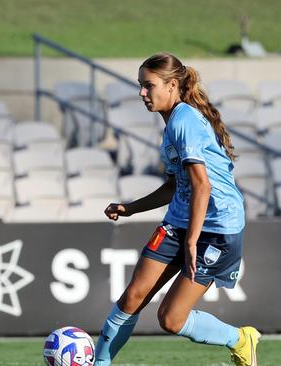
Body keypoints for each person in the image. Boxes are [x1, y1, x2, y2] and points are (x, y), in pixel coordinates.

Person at [94, 53, 260, 366]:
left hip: (217, 228)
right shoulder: (172, 122)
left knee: (170, 319)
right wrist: (130, 208)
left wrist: (191, 241)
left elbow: (203, 186)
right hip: (181, 220)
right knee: (132, 298)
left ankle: (241, 339)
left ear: (172, 85)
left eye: (148, 86)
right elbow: (174, 186)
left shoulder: (184, 121)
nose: (142, 93)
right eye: (141, 86)